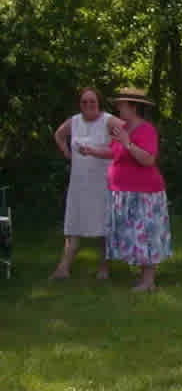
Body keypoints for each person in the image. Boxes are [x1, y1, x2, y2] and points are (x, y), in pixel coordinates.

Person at [103, 87, 171, 291]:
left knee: (146, 234)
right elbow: (114, 154)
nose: (118, 108)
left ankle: (148, 280)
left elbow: (148, 159)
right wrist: (90, 151)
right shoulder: (122, 129)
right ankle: (144, 278)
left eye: (121, 105)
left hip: (145, 193)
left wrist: (127, 142)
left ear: (133, 107)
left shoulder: (146, 129)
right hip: (123, 192)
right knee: (133, 235)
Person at [50, 87, 111, 280]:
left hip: (102, 182)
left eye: (92, 101)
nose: (88, 105)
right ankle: (63, 268)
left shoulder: (108, 120)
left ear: (99, 102)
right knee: (74, 223)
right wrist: (67, 153)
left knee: (103, 225)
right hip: (79, 182)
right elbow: (59, 135)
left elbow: (126, 135)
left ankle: (104, 267)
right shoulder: (74, 121)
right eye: (84, 102)